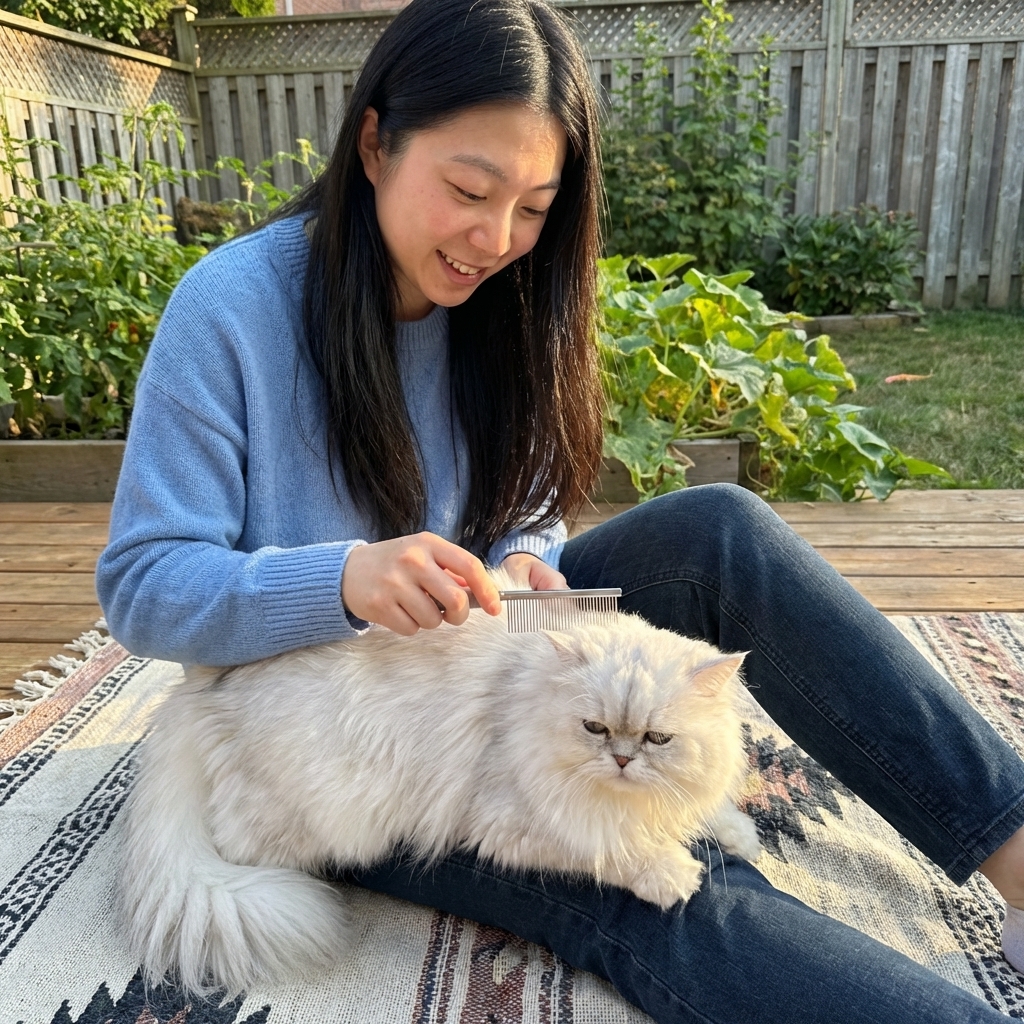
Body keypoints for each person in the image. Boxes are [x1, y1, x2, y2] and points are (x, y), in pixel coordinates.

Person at [95, 0, 1024, 1019]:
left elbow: (529, 503)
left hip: (487, 649)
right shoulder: (230, 310)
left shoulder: (510, 299)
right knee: (635, 855)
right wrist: (346, 578)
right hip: (348, 729)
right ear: (373, 143)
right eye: (467, 189)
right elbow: (145, 588)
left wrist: (529, 559)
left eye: (533, 207)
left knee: (721, 531)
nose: (495, 239)